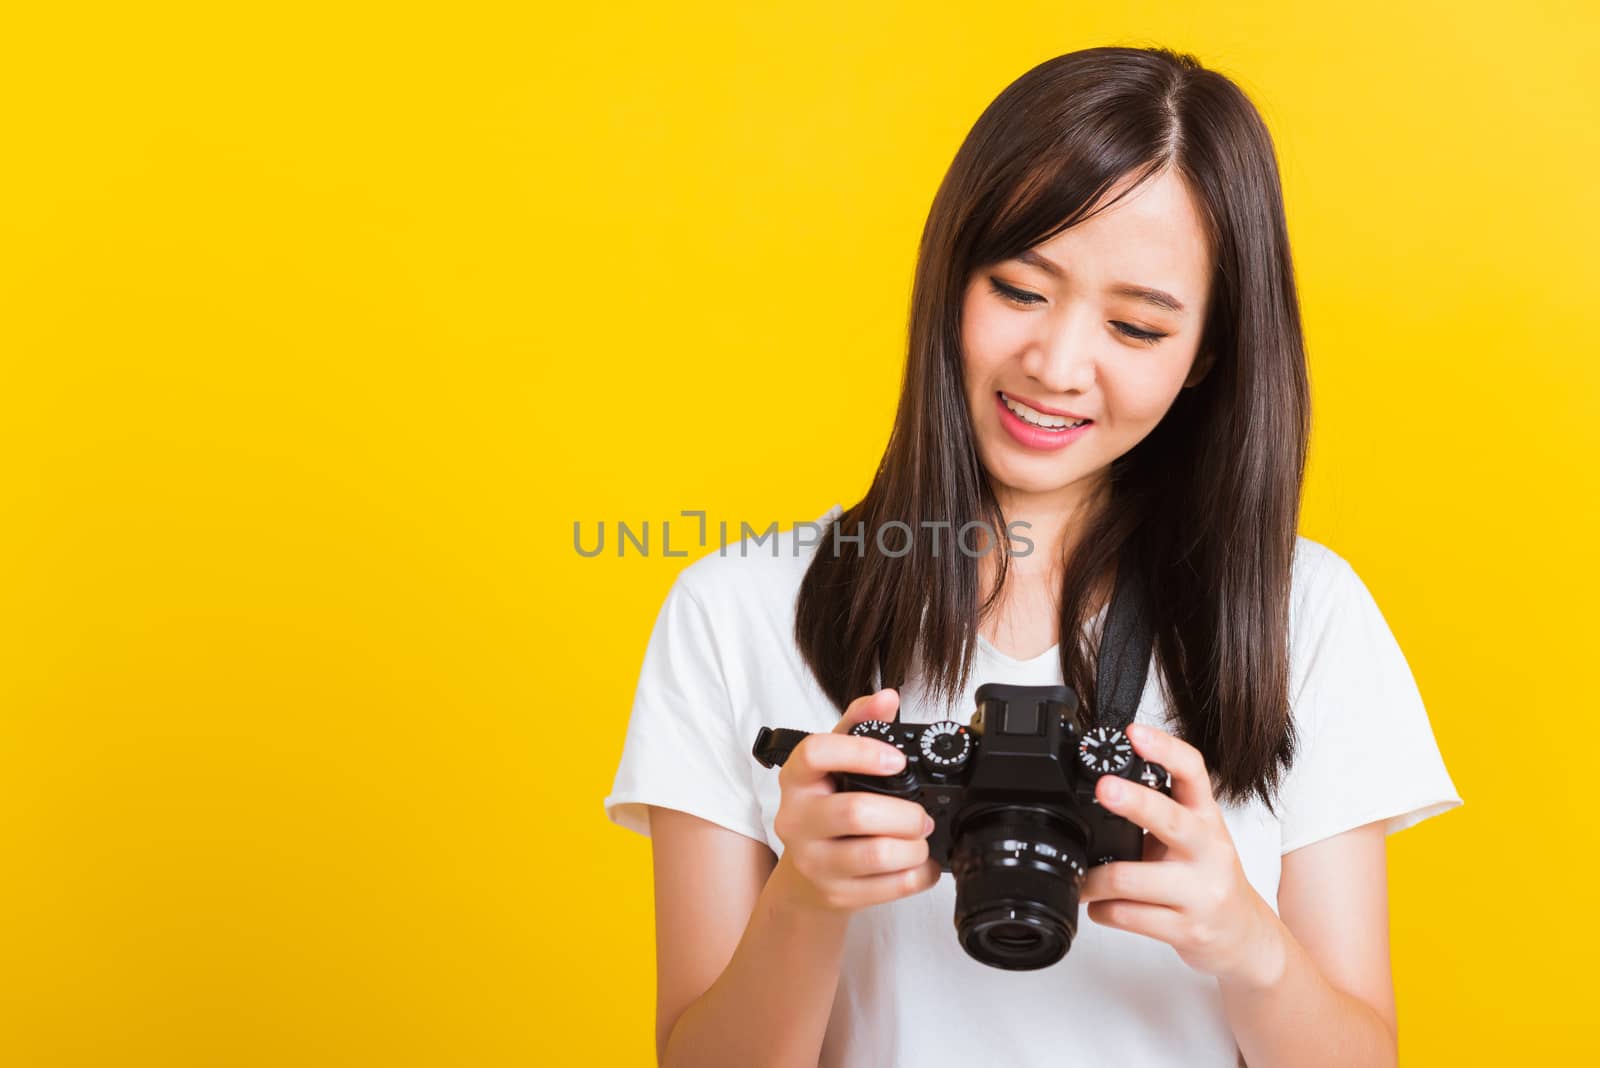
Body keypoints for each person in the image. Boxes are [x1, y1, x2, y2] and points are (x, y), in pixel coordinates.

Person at [603, 45, 1461, 1068]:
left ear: (1208, 359)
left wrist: (1246, 943)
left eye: (1137, 327)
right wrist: (805, 897)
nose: (1056, 366)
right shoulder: (733, 610)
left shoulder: (1298, 615)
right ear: (948, 275)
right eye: (1018, 289)